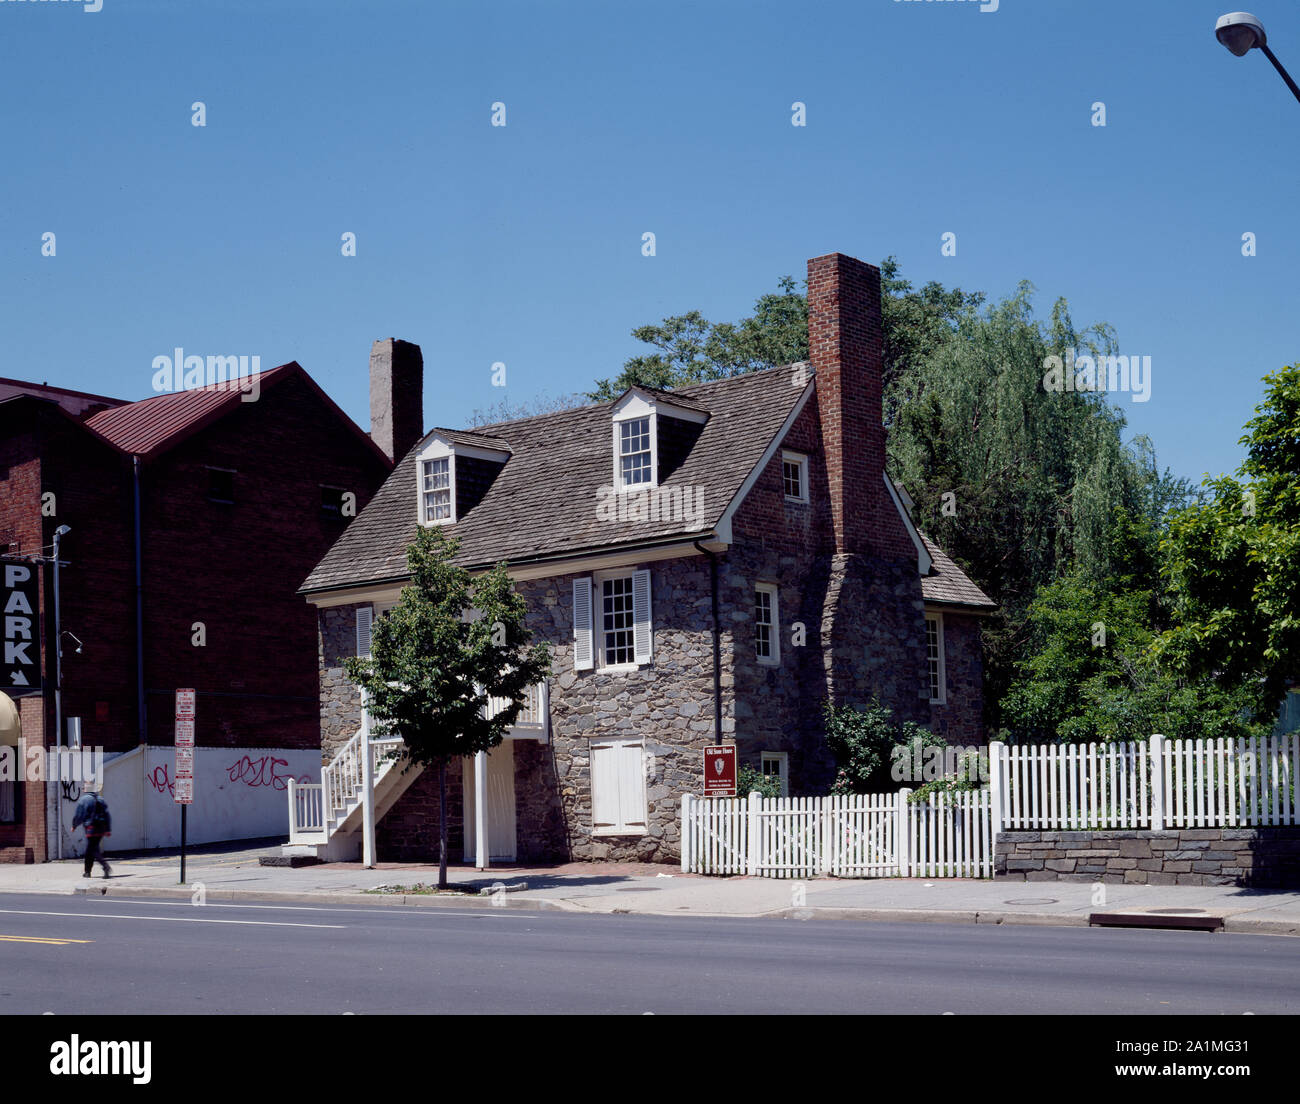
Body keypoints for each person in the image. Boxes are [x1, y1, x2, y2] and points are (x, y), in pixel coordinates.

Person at [71, 789, 112, 878]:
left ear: (86, 789)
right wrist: (108, 829)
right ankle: (87, 872)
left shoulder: (84, 800)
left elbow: (79, 815)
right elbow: (107, 815)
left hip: (91, 828)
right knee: (90, 849)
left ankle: (105, 866)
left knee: (92, 850)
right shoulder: (101, 799)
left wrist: (74, 825)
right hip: (101, 829)